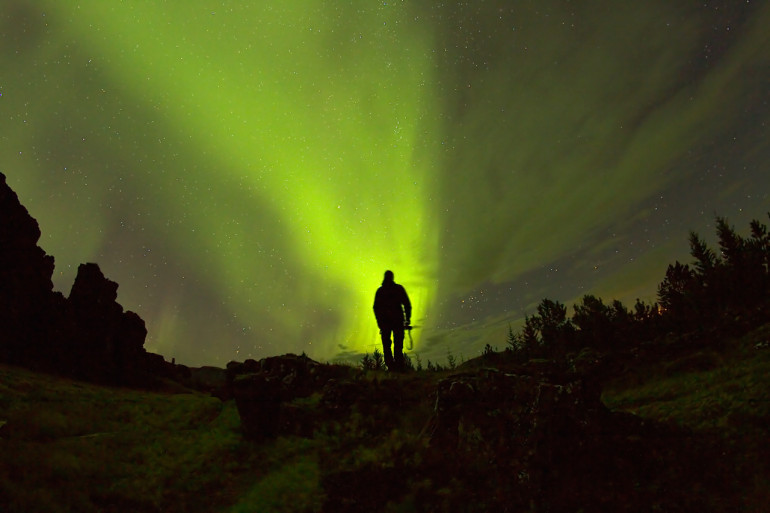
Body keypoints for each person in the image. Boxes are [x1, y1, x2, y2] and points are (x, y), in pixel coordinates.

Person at [373, 270, 411, 371]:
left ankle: (392, 367)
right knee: (396, 345)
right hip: (395, 322)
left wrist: (380, 322)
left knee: (388, 345)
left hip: (387, 323)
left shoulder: (380, 291)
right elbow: (407, 304)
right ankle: (396, 367)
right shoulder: (398, 289)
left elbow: (376, 308)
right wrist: (407, 319)